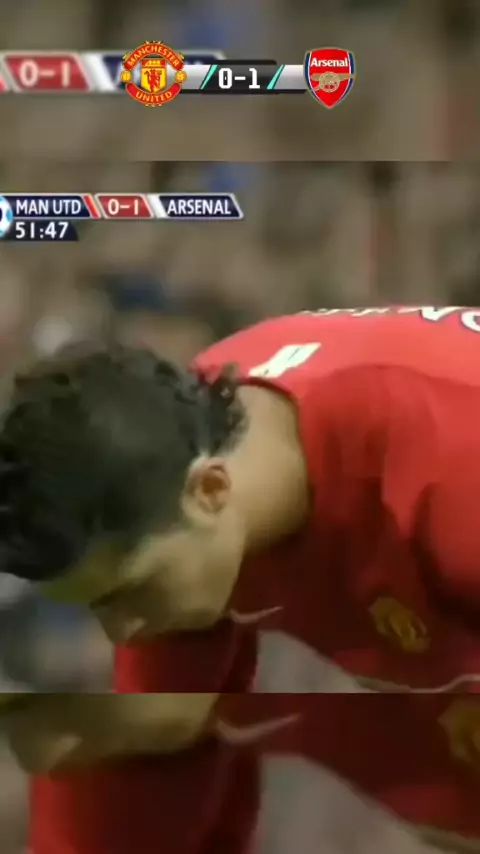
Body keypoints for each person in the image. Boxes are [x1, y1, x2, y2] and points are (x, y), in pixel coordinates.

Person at [2, 305, 480, 853]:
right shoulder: (165, 470)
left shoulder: (446, 474)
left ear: (210, 489)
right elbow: (166, 724)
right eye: (97, 606)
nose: (121, 631)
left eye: (130, 592)